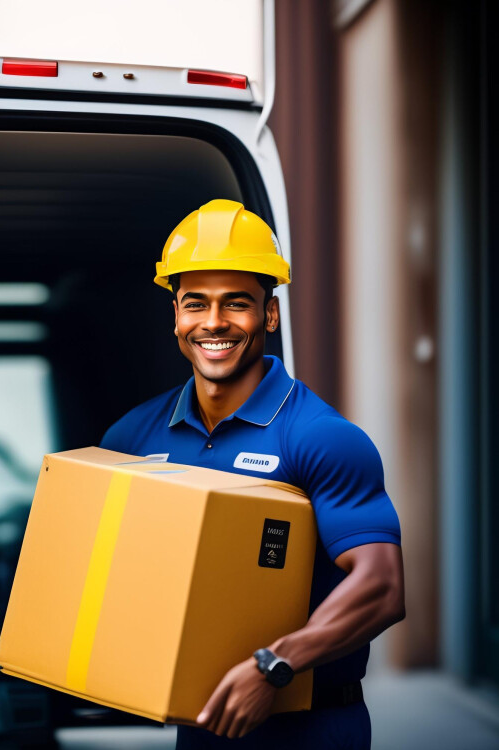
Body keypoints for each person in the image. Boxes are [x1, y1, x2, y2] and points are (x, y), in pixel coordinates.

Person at [100, 199, 405, 749]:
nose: (213, 323)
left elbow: (380, 587)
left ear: (269, 314)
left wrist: (274, 667)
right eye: (195, 303)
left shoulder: (319, 437)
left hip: (312, 728)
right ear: (175, 315)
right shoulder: (131, 438)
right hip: (201, 728)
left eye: (236, 303)